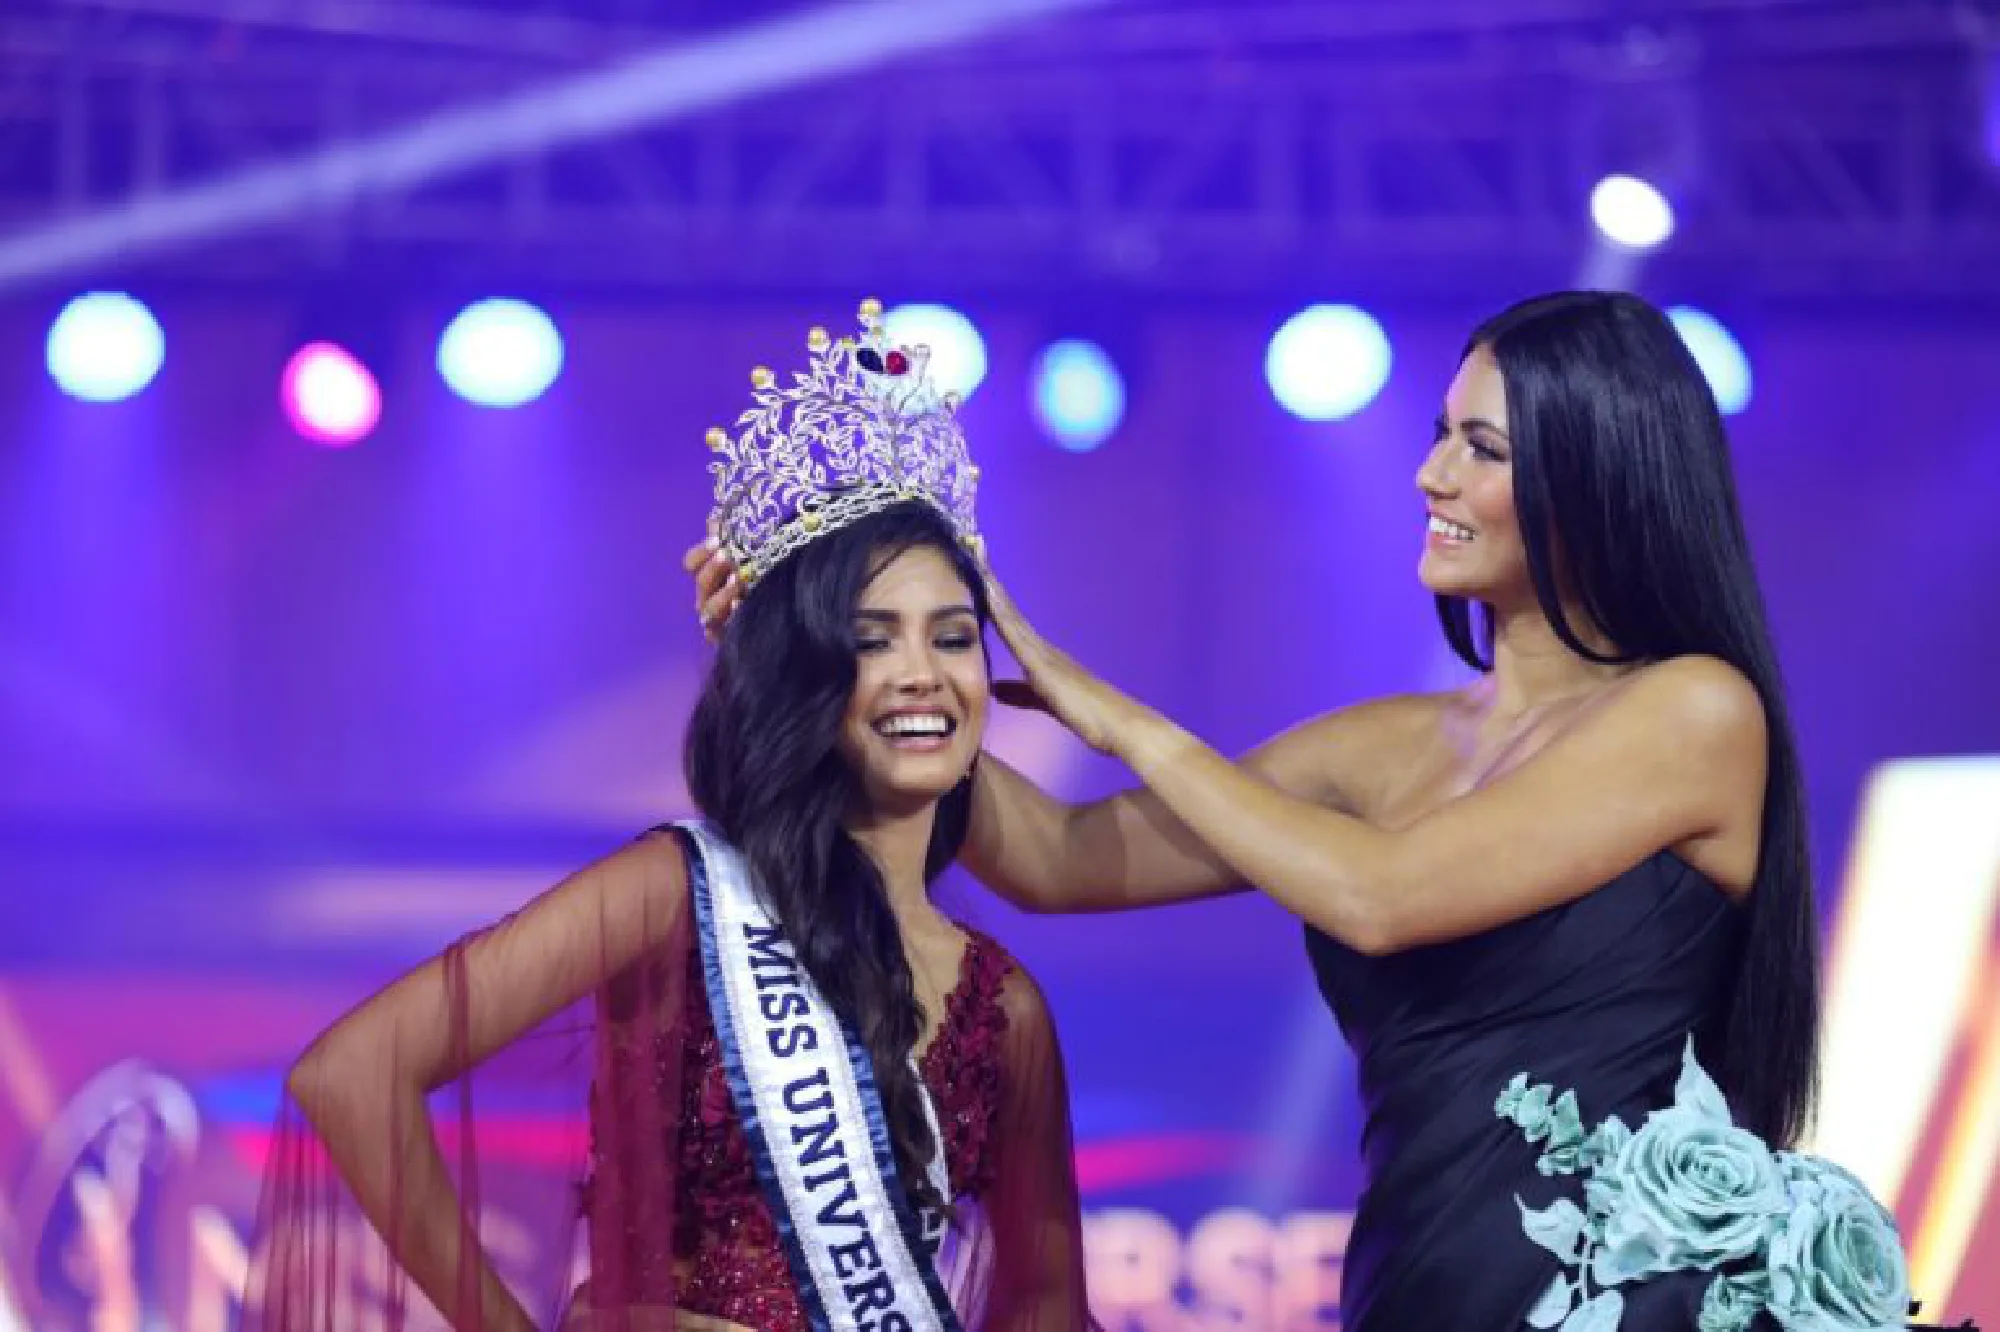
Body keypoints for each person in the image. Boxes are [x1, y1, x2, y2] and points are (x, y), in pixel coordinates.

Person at [690, 291, 1930, 1331]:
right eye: (1442, 434)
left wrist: (1114, 716)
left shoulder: (1694, 714)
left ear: (1593, 476)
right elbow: (1062, 859)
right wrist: (824, 670)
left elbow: (1378, 898)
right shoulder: (1384, 748)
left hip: (1627, 1302)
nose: (1428, 471)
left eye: (1481, 449)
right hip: (1416, 1282)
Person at [248, 301, 1096, 1332]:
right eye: (873, 639)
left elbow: (1045, 1311)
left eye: (952, 638)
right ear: (808, 673)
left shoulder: (1004, 1010)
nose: (921, 673)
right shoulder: (679, 895)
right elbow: (354, 1072)